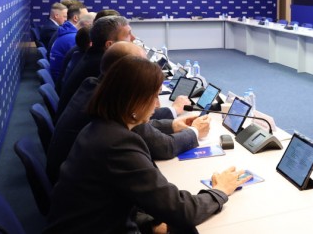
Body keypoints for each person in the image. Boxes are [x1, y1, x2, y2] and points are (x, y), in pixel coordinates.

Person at [44, 56, 249, 233]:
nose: (158, 104)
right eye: (154, 97)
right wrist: (220, 190)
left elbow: (111, 198)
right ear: (134, 101)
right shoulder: (118, 144)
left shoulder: (99, 127)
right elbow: (181, 211)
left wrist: (149, 224)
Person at [46, 41, 206, 184]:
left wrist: (173, 124)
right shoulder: (118, 136)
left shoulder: (94, 88)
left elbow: (139, 121)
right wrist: (195, 131)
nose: (157, 104)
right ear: (128, 73)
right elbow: (164, 148)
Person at [57, 15, 135, 117]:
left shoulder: (92, 57)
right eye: (128, 35)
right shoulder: (103, 67)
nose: (133, 38)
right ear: (109, 45)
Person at [49, 3, 89, 80]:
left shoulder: (66, 31)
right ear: (75, 18)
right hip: (62, 79)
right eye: (86, 16)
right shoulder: (73, 38)